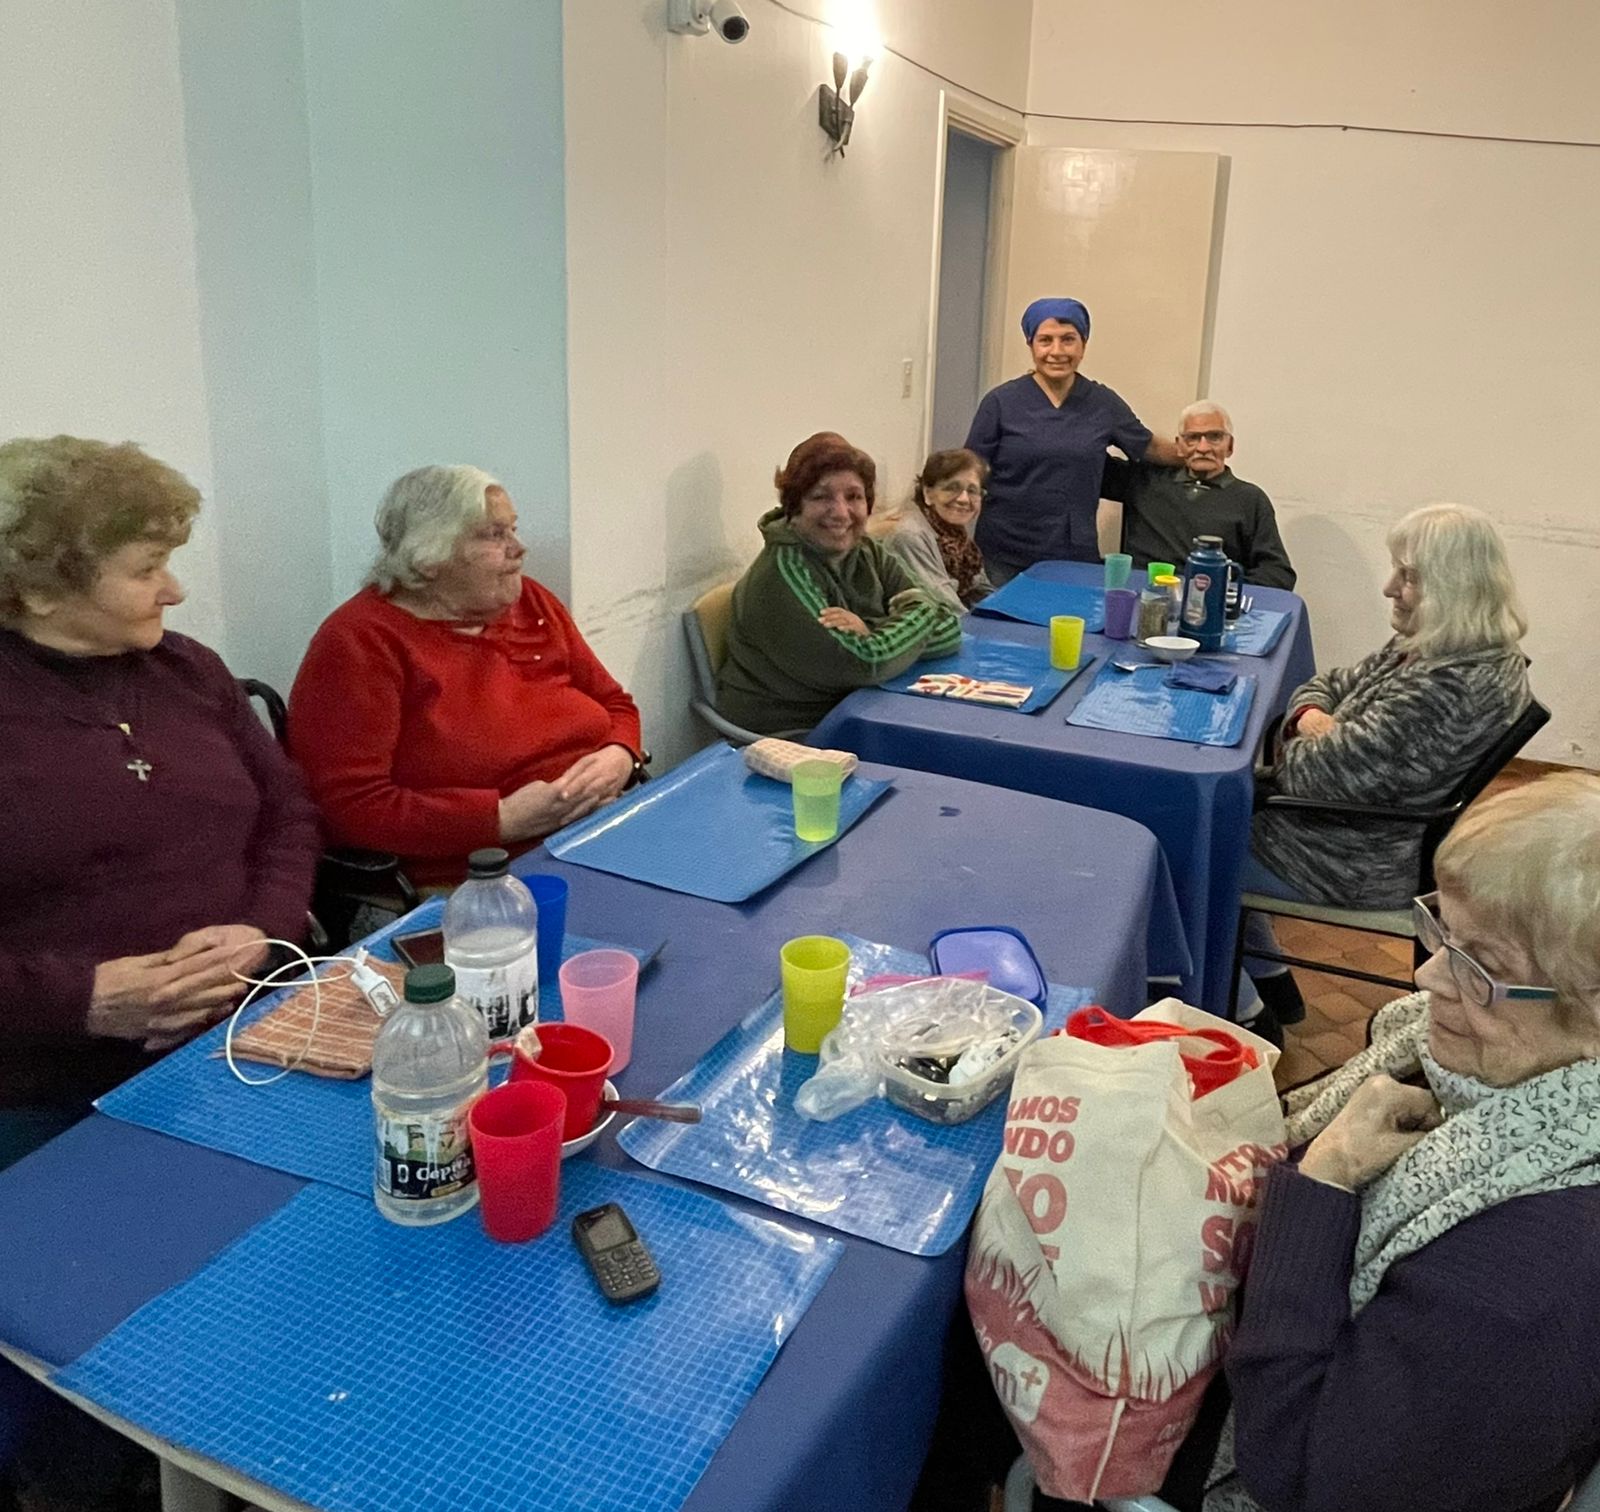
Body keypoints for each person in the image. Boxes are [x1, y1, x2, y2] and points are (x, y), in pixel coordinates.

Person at [1206, 772, 1600, 1512]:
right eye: (1443, 934)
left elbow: (1297, 1471)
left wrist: (1322, 1182)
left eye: (1483, 968)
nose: (1427, 977)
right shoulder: (1502, 1083)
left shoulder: (1526, 1283)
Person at [0, 436, 319, 1162]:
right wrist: (82, 1000)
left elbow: (287, 816)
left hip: (246, 1035)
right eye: (147, 571)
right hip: (47, 1097)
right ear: (41, 588)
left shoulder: (188, 668)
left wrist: (264, 934)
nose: (174, 591)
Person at [1242, 504, 1531, 1030]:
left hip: (1348, 856)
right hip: (1346, 827)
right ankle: (1271, 980)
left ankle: (1247, 1011)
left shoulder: (1452, 683)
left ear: (1455, 585)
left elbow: (1309, 776)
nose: (1389, 587)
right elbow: (1328, 683)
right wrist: (1312, 717)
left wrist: (1307, 730)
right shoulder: (1435, 646)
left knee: (1181, 844)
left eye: (1409, 576)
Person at [289, 465, 645, 887]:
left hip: (604, 829)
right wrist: (502, 819)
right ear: (429, 558)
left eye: (513, 529)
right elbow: (350, 808)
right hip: (485, 877)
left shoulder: (531, 601)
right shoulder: (359, 642)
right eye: (494, 535)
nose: (519, 548)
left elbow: (616, 704)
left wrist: (620, 755)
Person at [715, 432, 963, 736]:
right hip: (791, 736)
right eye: (821, 497)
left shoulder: (866, 549)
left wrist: (871, 631)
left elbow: (951, 626)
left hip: (860, 708)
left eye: (854, 497)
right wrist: (915, 615)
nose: (841, 512)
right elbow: (864, 662)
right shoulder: (781, 573)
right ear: (795, 506)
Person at [964, 297, 1180, 579]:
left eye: (1068, 340)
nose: (1057, 351)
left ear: (1084, 344)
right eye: (1045, 340)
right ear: (1030, 344)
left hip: (1072, 550)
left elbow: (1148, 446)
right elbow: (969, 470)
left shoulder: (1103, 403)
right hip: (1005, 552)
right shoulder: (1000, 403)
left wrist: (1193, 450)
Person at [1099, 402, 1296, 589]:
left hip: (1210, 605)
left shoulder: (1250, 499)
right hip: (1142, 597)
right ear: (1179, 445)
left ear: (1230, 446)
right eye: (1192, 438)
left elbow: (1278, 573)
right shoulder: (1144, 480)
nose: (1203, 448)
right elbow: (1083, 458)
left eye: (1215, 437)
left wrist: (1224, 591)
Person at [868, 447, 992, 614]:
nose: (964, 499)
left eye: (972, 491)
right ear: (928, 493)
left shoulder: (954, 533)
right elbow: (944, 606)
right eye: (951, 488)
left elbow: (981, 589)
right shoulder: (910, 535)